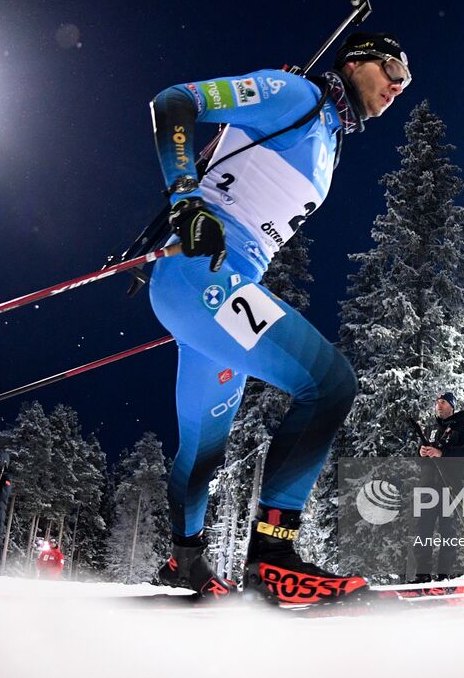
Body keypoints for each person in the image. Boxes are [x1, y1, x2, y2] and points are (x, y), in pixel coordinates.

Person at [147, 31, 411, 603]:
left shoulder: (330, 141)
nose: (397, 85)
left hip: (212, 293)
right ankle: (273, 559)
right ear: (356, 60)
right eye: (391, 67)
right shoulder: (295, 94)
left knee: (202, 451)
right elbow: (173, 100)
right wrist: (185, 201)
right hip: (203, 272)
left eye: (405, 81)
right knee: (330, 383)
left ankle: (184, 559)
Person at [411, 391, 464, 583]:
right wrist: (421, 452)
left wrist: (443, 453)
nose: (439, 405)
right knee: (423, 530)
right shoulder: (433, 428)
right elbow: (423, 456)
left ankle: (443, 575)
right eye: (437, 402)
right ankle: (422, 574)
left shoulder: (463, 426)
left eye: (443, 402)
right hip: (428, 486)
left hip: (450, 486)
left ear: (452, 406)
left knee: (448, 530)